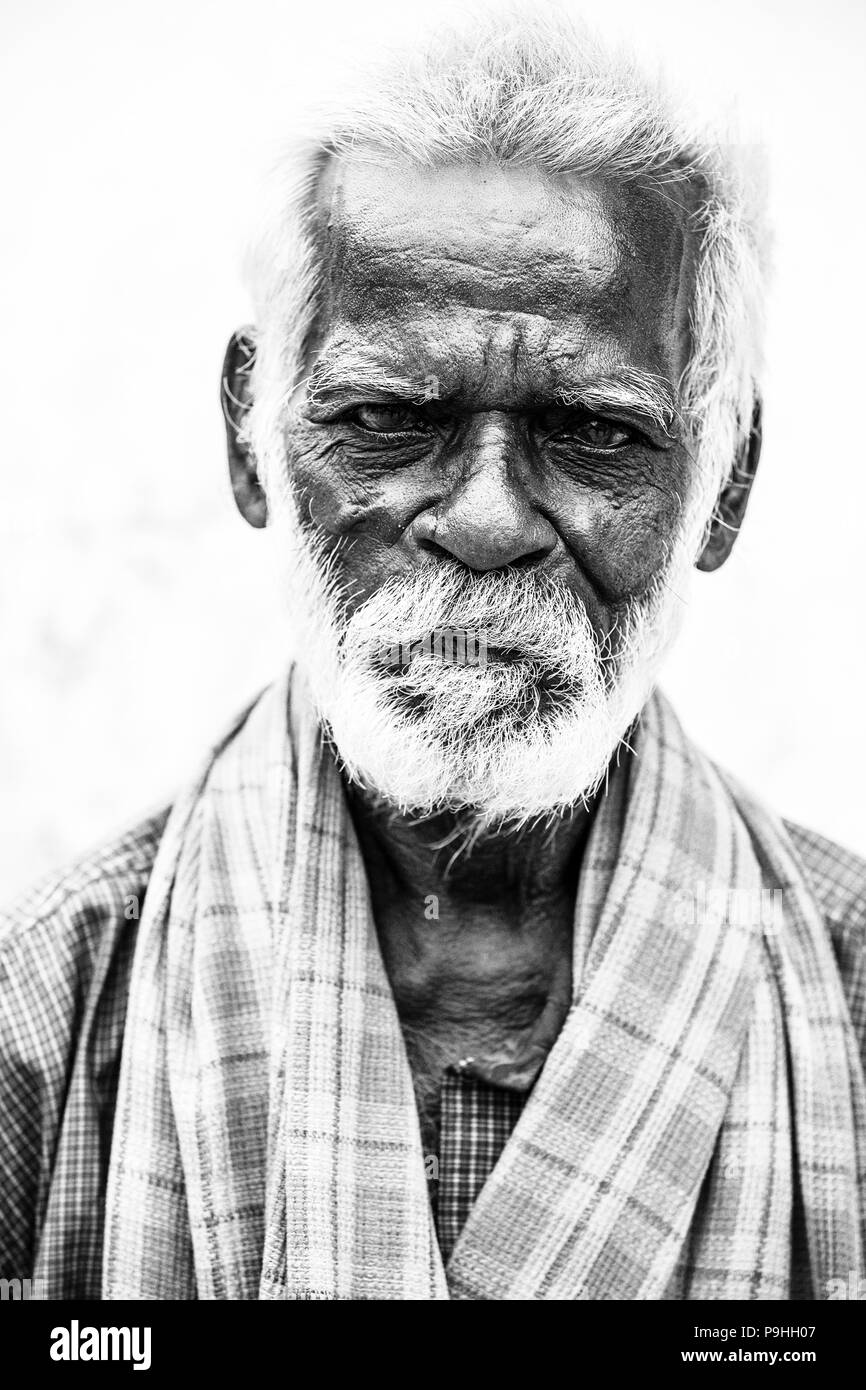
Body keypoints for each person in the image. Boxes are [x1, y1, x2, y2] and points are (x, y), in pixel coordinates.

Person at [2, 9, 864, 1301]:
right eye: (388, 418)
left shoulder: (847, 1004)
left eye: (591, 431)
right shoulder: (47, 1018)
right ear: (250, 436)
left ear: (726, 478)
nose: (483, 517)